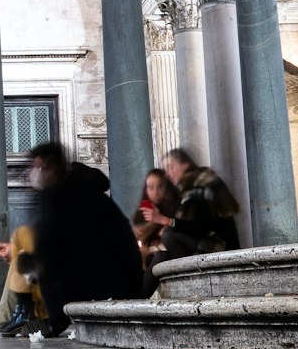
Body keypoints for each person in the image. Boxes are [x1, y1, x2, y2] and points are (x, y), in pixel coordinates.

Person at [15, 142, 142, 334]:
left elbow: (52, 249)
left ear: (52, 167)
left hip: (103, 284)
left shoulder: (60, 197)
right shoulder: (85, 192)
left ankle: (48, 320)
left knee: (34, 262)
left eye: (37, 167)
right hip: (121, 282)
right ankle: (25, 316)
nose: (33, 173)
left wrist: (30, 264)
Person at [162, 147, 241, 253]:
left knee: (169, 236)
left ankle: (189, 270)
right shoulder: (190, 186)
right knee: (160, 256)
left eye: (170, 167)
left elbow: (196, 227)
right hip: (209, 242)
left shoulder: (199, 187)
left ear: (184, 164)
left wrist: (167, 221)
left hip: (221, 246)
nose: (167, 174)